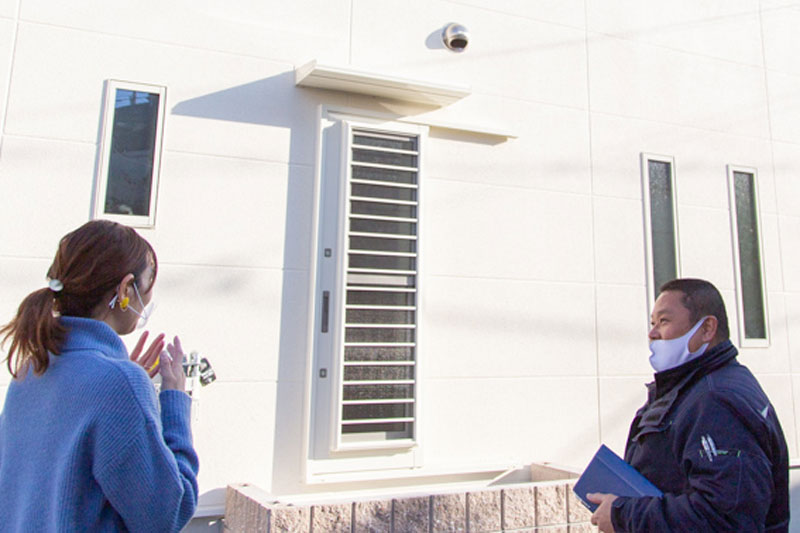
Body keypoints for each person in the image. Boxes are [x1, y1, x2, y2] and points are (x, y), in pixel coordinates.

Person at [0, 220, 199, 532]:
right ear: (125, 289)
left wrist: (123, 380)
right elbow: (166, 516)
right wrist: (174, 400)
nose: (149, 296)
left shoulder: (29, 370)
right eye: (149, 283)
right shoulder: (118, 383)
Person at [588, 278, 789, 532]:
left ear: (707, 329)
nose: (652, 334)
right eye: (652, 323)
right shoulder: (690, 390)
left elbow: (724, 519)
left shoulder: (718, 401)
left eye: (664, 321)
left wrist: (623, 516)